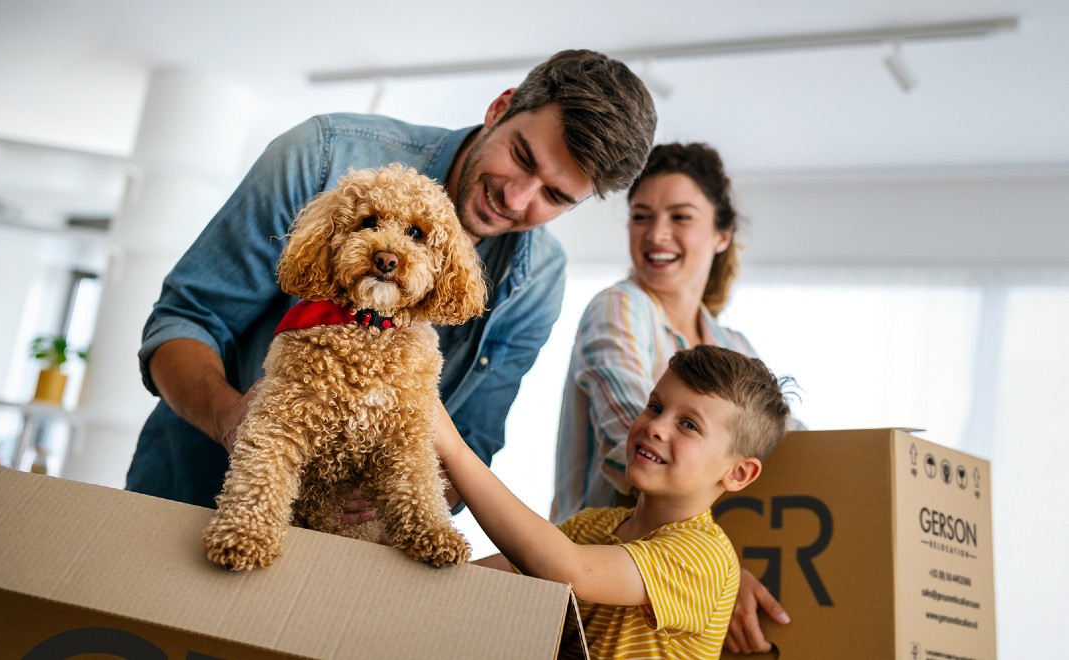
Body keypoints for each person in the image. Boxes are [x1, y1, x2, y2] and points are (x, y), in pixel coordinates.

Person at [125, 49, 657, 512]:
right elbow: (186, 320)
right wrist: (233, 422)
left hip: (343, 560)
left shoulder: (540, 279)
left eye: (556, 197)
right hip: (190, 496)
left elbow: (473, 439)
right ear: (501, 107)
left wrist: (396, 498)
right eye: (521, 157)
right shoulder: (322, 157)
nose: (516, 199)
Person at [549, 142, 796, 653]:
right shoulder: (620, 307)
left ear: (722, 234)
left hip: (670, 585)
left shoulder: (735, 347)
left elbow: (795, 456)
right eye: (641, 216)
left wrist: (715, 572)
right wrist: (717, 569)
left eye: (680, 217)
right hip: (592, 571)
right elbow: (632, 445)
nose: (656, 234)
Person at [434, 345, 793, 659]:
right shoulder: (592, 526)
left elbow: (571, 571)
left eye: (689, 425)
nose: (656, 426)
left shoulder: (704, 556)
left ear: (739, 474)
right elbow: (476, 578)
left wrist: (453, 449)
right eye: (655, 406)